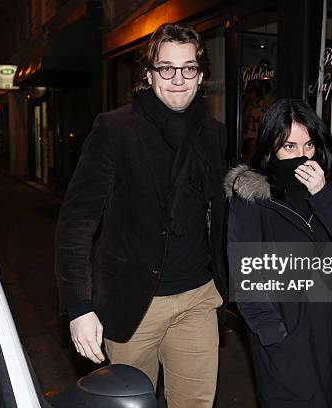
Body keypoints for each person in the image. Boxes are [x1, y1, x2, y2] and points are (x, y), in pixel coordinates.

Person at [55, 23, 228, 408]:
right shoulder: (115, 129)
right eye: (166, 68)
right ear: (149, 75)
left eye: (188, 68)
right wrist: (79, 306)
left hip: (198, 297)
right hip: (134, 303)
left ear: (201, 76)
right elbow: (76, 223)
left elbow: (217, 214)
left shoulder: (213, 135)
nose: (178, 79)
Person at [225, 99, 332, 408]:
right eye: (289, 146)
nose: (302, 156)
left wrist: (323, 196)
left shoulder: (330, 186)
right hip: (283, 332)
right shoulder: (252, 196)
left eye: (309, 145)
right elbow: (244, 272)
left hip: (329, 329)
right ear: (271, 149)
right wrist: (272, 333)